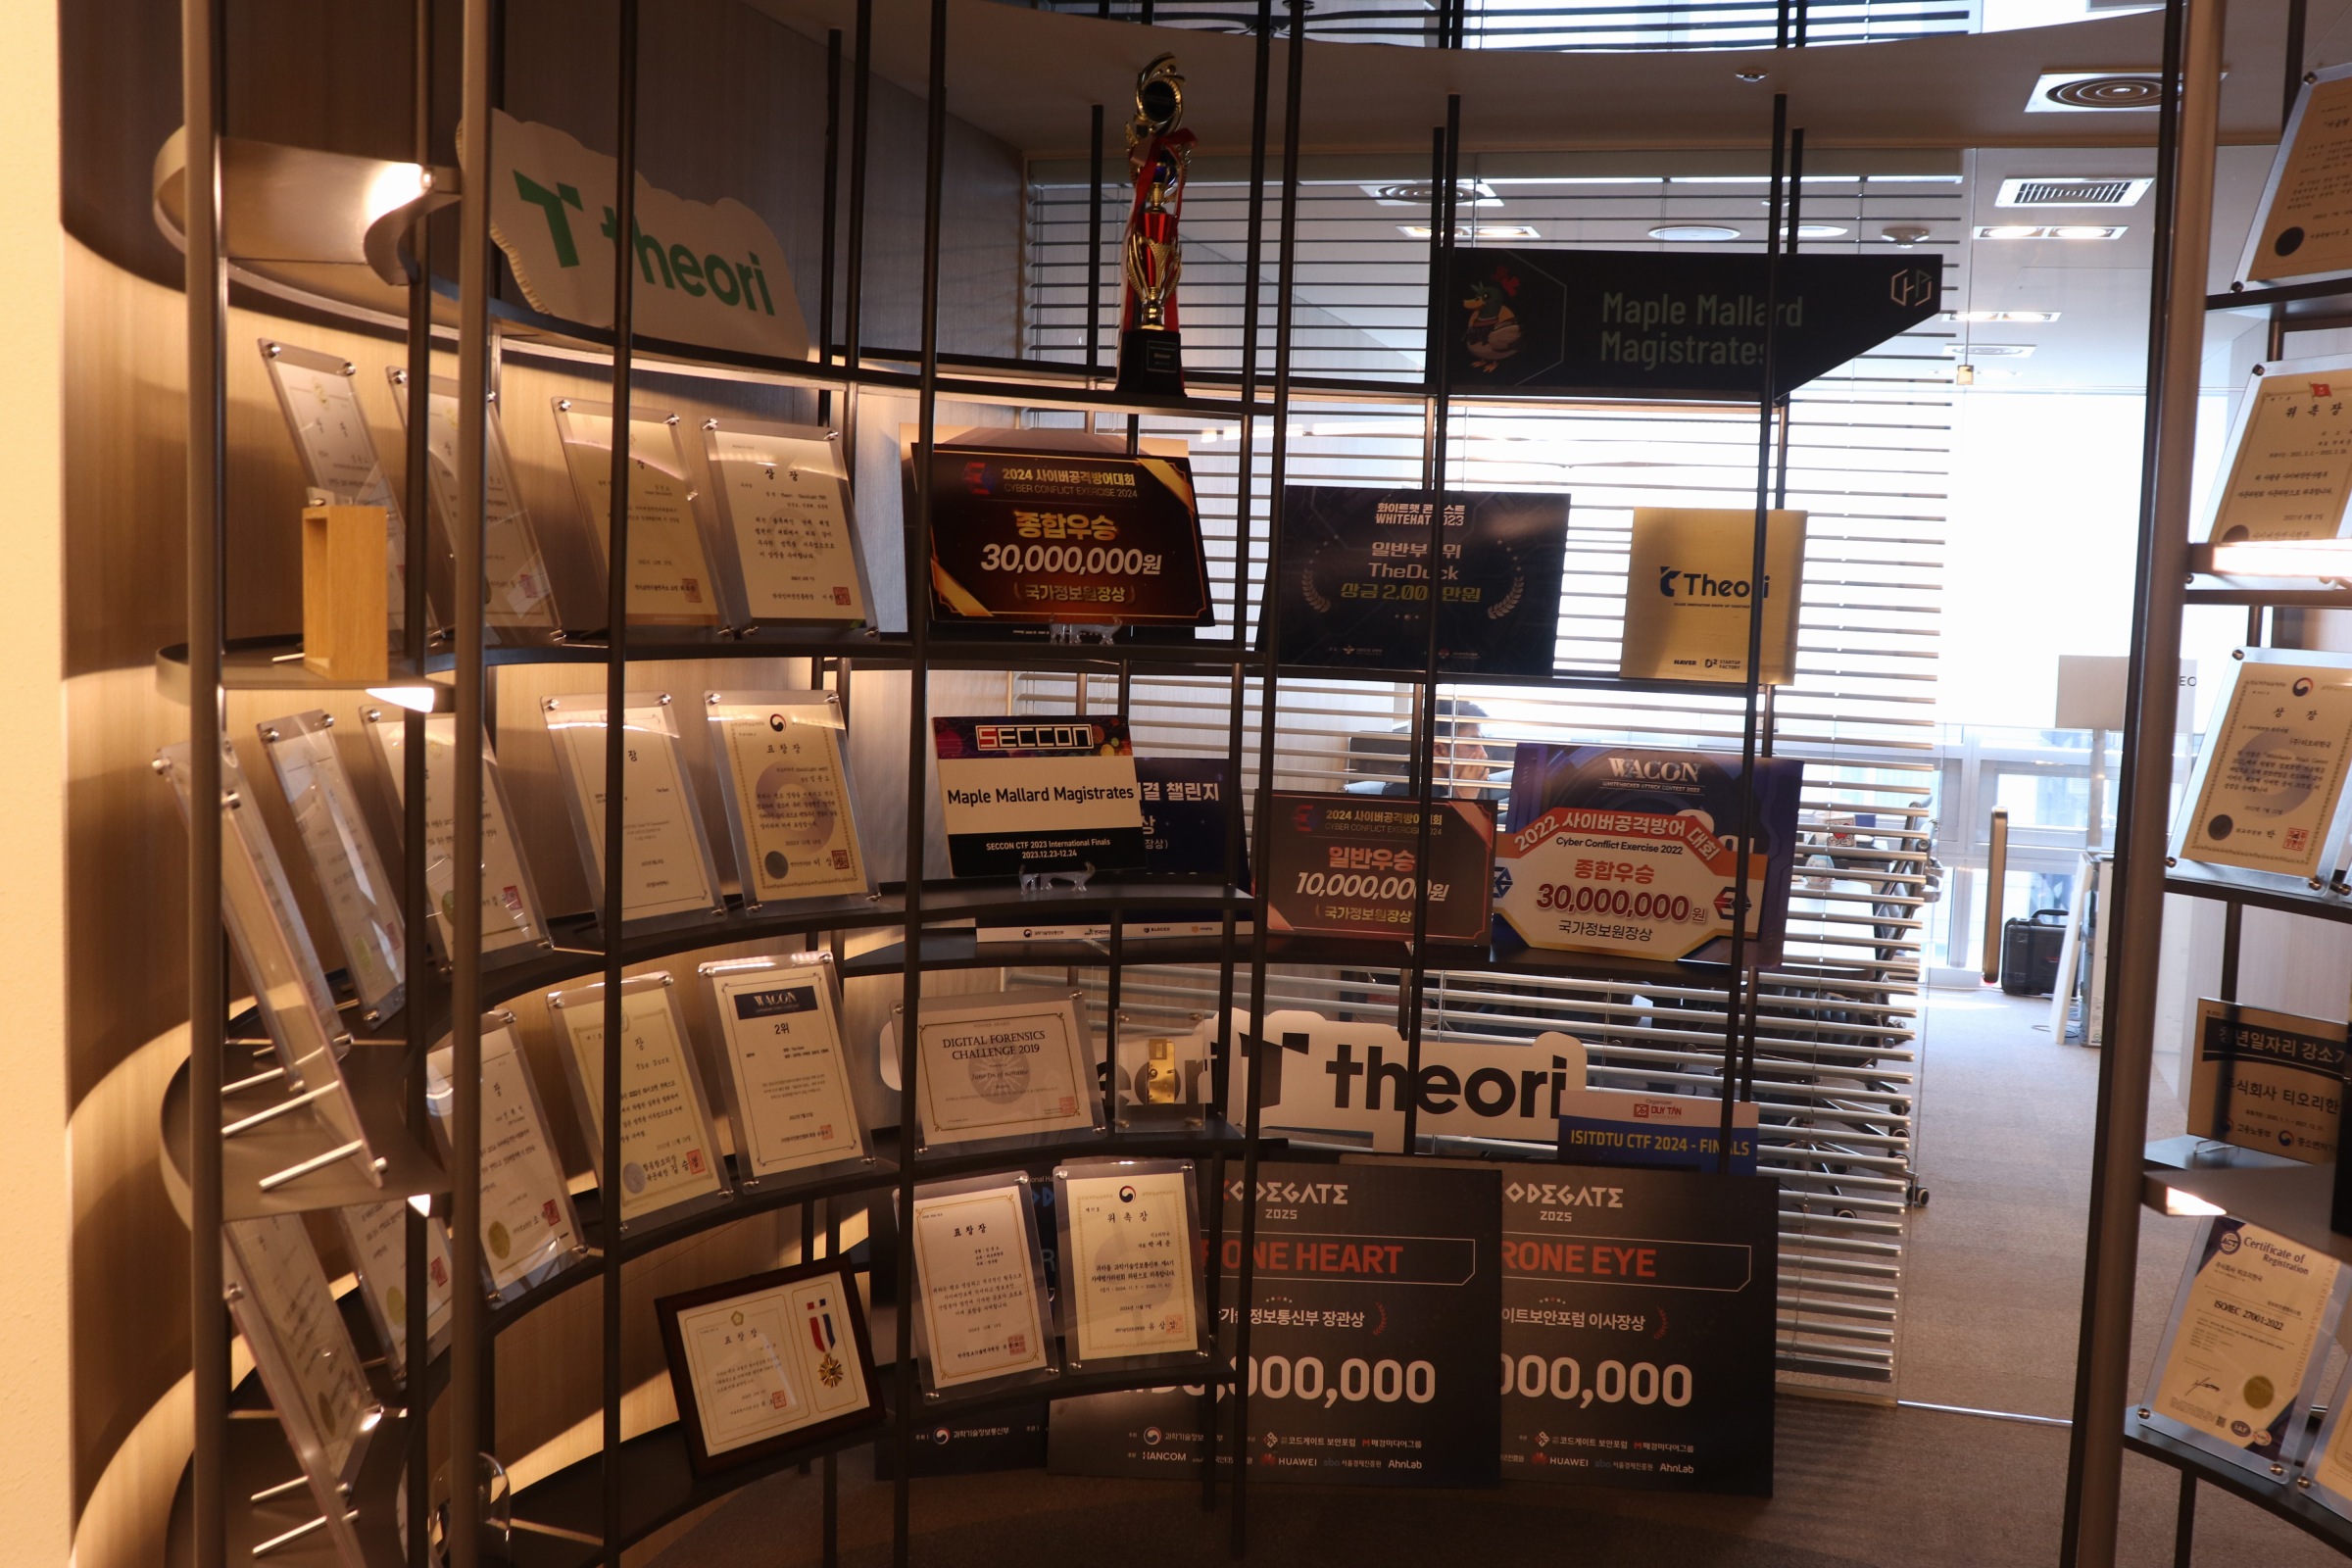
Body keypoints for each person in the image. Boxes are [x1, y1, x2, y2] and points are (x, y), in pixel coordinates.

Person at [1342, 697, 1501, 799]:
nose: (1483, 755)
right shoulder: (1408, 797)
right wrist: (1465, 801)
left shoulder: (1453, 788)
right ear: (1439, 751)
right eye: (1472, 744)